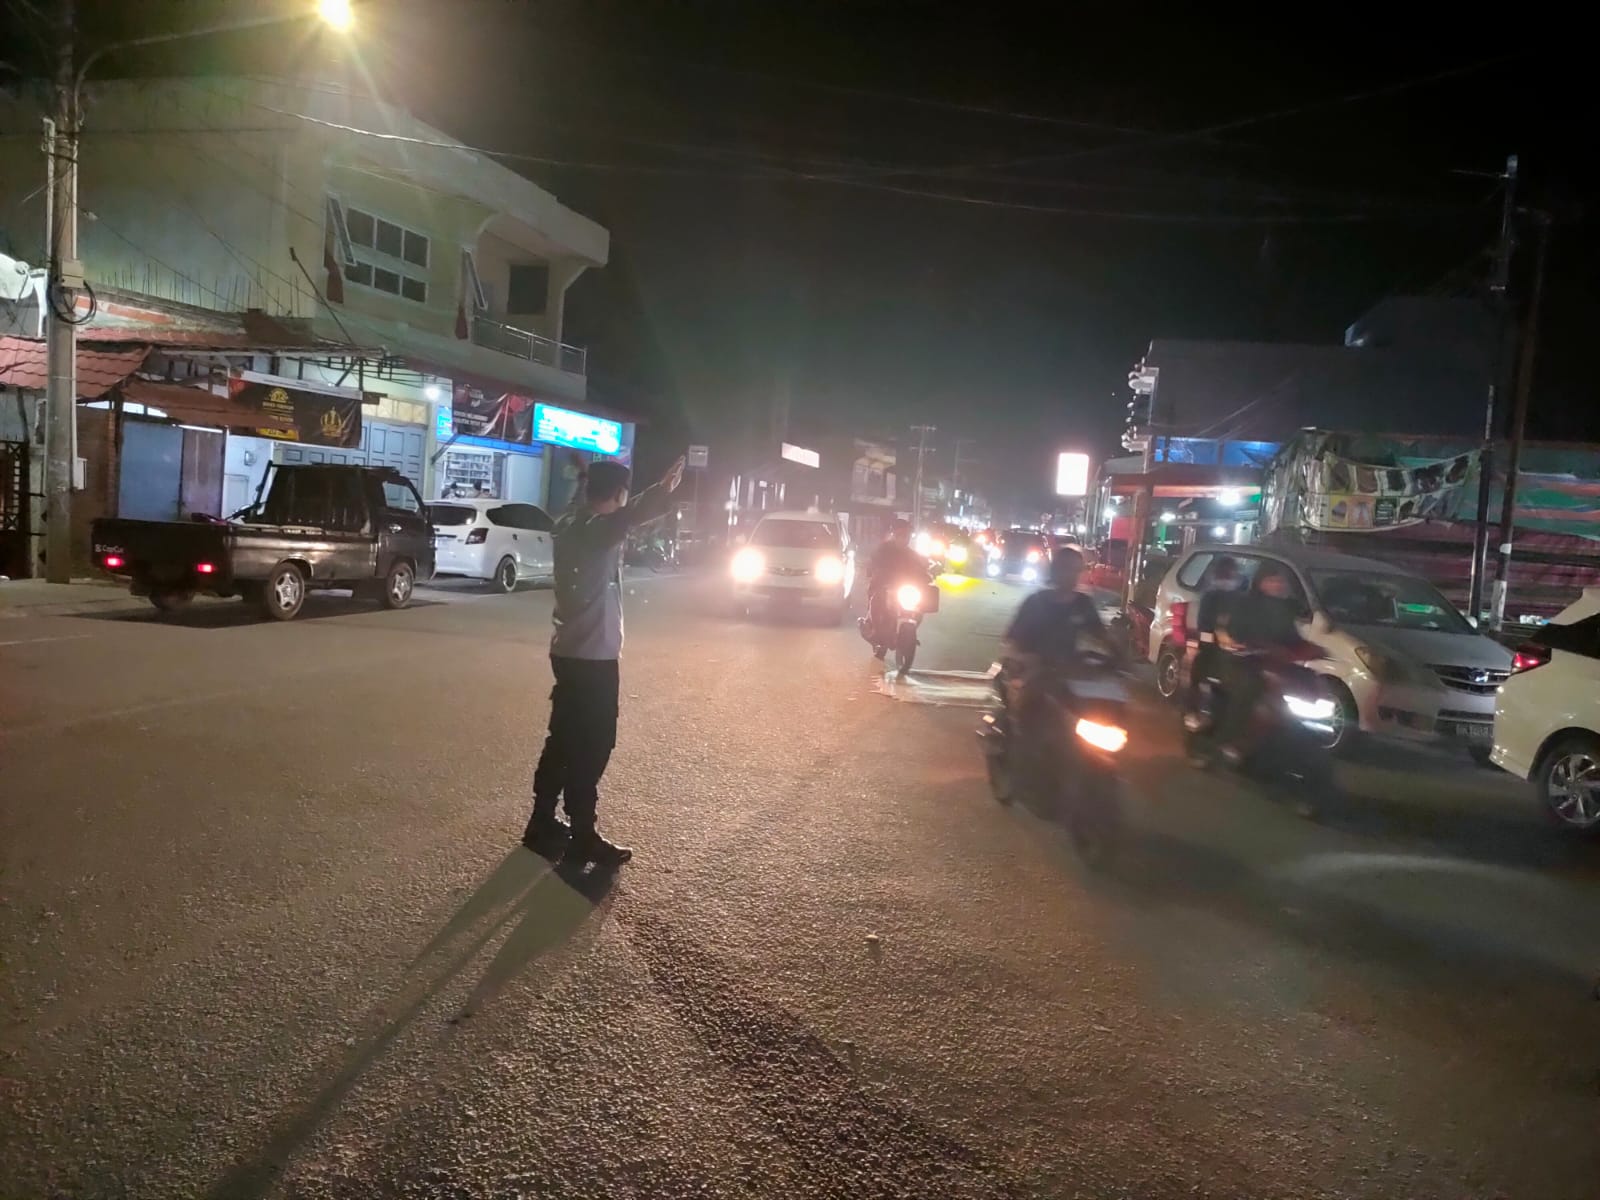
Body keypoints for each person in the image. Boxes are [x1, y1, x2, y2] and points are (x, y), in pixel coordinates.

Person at [520, 453, 687, 867]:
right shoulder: (597, 531)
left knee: (563, 738)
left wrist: (585, 475)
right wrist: (663, 489)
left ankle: (541, 821)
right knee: (593, 745)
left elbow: (606, 511)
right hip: (593, 656)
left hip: (567, 650)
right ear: (618, 494)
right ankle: (582, 836)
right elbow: (629, 517)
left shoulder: (568, 524)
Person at [1212, 562, 1307, 757]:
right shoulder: (1245, 604)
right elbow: (1234, 632)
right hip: (1242, 661)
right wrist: (1252, 645)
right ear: (1260, 582)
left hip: (1274, 663)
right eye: (1272, 580)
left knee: (1305, 682)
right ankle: (1228, 740)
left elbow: (1292, 638)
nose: (1277, 585)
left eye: (1280, 581)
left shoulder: (1285, 608)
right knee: (1249, 687)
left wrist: (1312, 649)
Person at [865, 519, 930, 646]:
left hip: (903, 589)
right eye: (902, 535)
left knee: (919, 607)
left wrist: (926, 575)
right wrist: (875, 569)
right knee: (876, 600)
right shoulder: (883, 550)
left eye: (907, 536)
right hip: (884, 587)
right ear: (895, 535)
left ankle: (908, 634)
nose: (905, 539)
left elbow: (922, 568)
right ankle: (875, 630)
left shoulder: (912, 554)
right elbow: (873, 560)